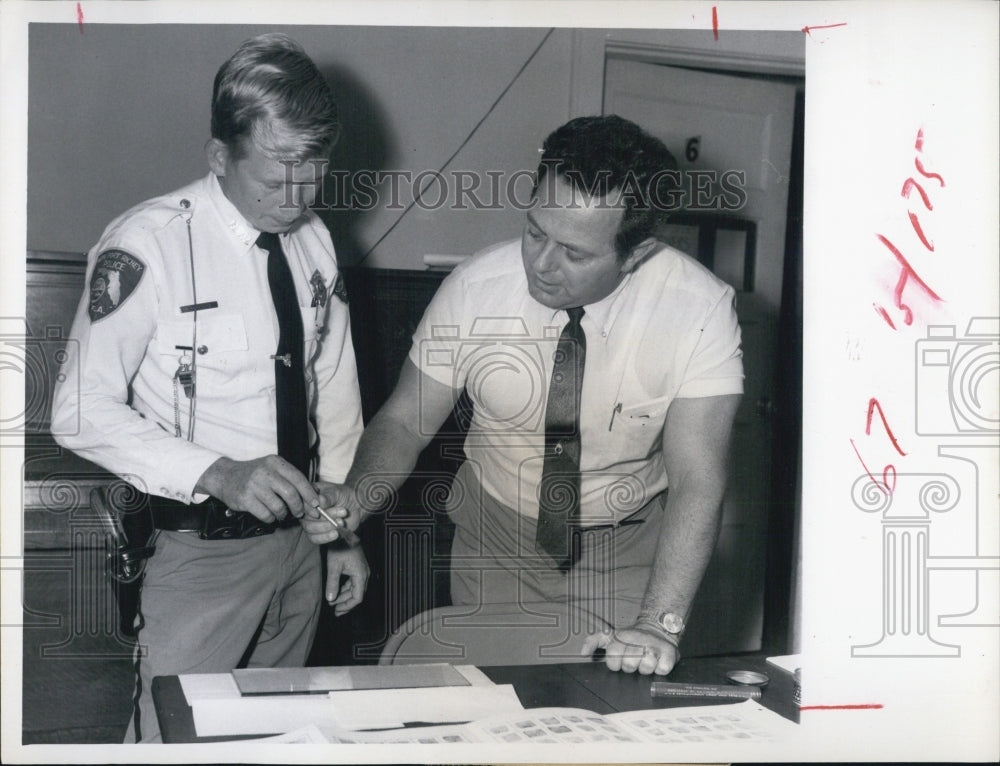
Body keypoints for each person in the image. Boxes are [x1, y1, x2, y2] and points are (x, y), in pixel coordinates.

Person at [303, 115, 743, 677]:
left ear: (635, 253)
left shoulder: (699, 309)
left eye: (574, 254)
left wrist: (660, 623)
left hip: (625, 554)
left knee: (608, 713)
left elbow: (697, 479)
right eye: (535, 232)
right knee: (493, 708)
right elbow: (406, 422)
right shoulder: (476, 288)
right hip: (493, 544)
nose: (541, 264)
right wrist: (357, 498)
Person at [51, 33, 367, 742]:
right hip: (197, 552)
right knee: (174, 740)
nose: (298, 198)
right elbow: (77, 410)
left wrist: (345, 530)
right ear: (220, 156)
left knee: (277, 738)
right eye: (277, 177)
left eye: (314, 173)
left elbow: (333, 387)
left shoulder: (314, 240)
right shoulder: (148, 243)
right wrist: (219, 472)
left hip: (301, 548)